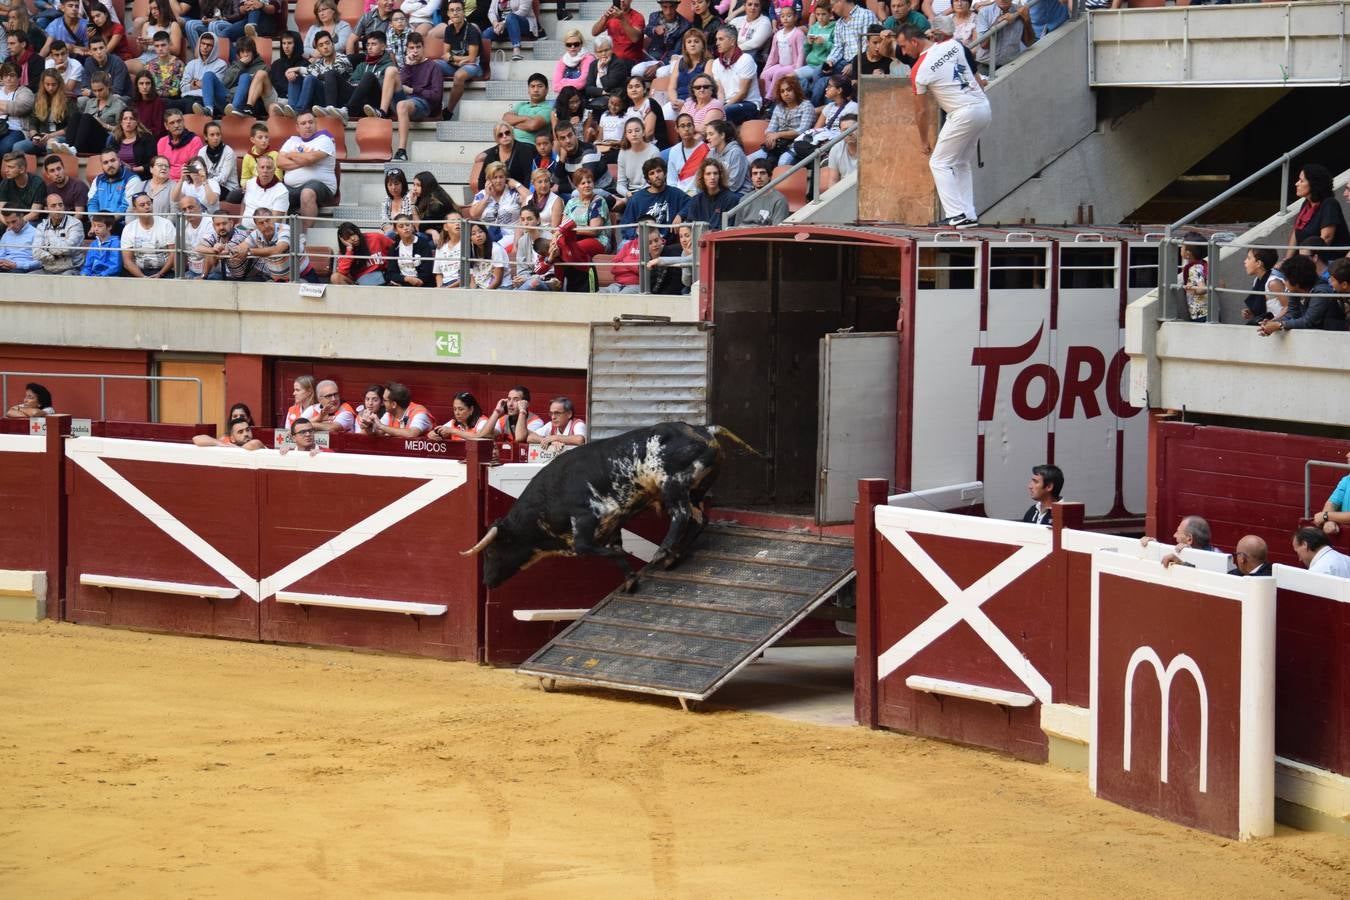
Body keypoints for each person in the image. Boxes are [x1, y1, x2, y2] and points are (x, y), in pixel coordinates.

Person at [899, 22, 989, 229]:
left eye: (904, 46)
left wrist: (923, 141)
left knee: (938, 163)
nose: (903, 51)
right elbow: (972, 68)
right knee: (960, 163)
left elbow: (921, 111)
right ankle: (968, 214)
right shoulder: (954, 45)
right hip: (982, 107)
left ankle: (956, 215)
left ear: (914, 41)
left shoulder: (918, 70)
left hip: (962, 112)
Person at [1258, 253, 1347, 334]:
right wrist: (1273, 322)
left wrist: (1279, 325)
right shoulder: (1295, 290)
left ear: (1296, 282)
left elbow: (1308, 321)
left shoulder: (1321, 292)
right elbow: (1293, 315)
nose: (1284, 282)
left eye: (1286, 279)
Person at [277, 110, 337, 229]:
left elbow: (310, 158)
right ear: (297, 127)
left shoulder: (324, 140)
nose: (308, 126)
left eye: (310, 122)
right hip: (291, 188)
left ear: (316, 124)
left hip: (321, 186)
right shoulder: (292, 141)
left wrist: (291, 155)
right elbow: (279, 162)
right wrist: (304, 161)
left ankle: (305, 236)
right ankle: (276, 233)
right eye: (303, 123)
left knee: (307, 192)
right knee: (276, 191)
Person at [286, 29, 354, 119]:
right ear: (318, 50)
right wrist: (294, 72)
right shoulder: (319, 63)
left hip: (338, 100)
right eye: (321, 45)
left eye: (327, 43)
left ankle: (299, 110)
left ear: (332, 44)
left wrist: (300, 68)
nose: (325, 47)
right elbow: (308, 71)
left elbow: (330, 76)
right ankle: (292, 108)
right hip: (322, 99)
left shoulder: (342, 59)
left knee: (310, 78)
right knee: (295, 77)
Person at [435, 0, 482, 119]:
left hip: (473, 66)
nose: (455, 13)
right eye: (452, 10)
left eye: (458, 10)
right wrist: (456, 60)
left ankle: (448, 111)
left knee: (459, 76)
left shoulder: (471, 30)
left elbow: (472, 58)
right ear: (448, 14)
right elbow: (444, 54)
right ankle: (433, 105)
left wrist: (452, 58)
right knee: (433, 65)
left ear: (463, 12)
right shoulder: (449, 29)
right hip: (455, 64)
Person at [755, 73, 813, 167]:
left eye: (789, 90)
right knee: (749, 160)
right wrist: (771, 138)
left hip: (796, 144)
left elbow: (802, 131)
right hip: (778, 144)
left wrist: (778, 134)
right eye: (782, 91)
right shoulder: (779, 107)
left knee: (783, 163)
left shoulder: (806, 105)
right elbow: (770, 129)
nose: (785, 94)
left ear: (796, 90)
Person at [620, 156, 686, 239]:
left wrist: (680, 215)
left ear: (665, 173)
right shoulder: (636, 199)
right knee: (622, 246)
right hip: (640, 243)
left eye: (659, 171)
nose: (656, 175)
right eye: (652, 173)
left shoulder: (676, 193)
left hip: (666, 244)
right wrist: (637, 233)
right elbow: (625, 227)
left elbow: (692, 204)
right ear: (648, 179)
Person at [819, 0, 878, 91]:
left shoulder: (866, 15)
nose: (832, 9)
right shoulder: (839, 23)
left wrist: (854, 64)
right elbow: (838, 47)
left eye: (832, 5)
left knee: (827, 82)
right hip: (844, 62)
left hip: (863, 62)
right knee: (819, 74)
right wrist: (830, 61)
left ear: (841, 1)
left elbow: (869, 45)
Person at [1288, 164, 1349, 250]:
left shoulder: (1329, 204)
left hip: (1327, 260)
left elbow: (1326, 238)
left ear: (1313, 184)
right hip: (1306, 257)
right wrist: (1286, 259)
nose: (1296, 184)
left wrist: (1306, 260)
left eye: (1301, 181)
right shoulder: (1306, 203)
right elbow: (1296, 232)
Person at [709, 25, 759, 126]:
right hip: (728, 103)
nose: (717, 43)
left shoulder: (745, 59)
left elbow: (742, 93)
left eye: (721, 39)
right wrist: (719, 106)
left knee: (726, 112)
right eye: (717, 39)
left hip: (749, 103)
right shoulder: (716, 63)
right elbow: (720, 92)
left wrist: (723, 108)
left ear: (732, 41)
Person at [344, 31, 401, 120]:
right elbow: (352, 82)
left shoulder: (389, 67)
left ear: (383, 47)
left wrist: (366, 83)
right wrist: (364, 85)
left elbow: (383, 88)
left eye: (374, 44)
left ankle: (347, 110)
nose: (369, 47)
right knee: (332, 74)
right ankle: (334, 111)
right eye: (368, 45)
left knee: (369, 76)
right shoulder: (362, 65)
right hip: (360, 104)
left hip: (377, 104)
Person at [119, 190, 176, 277]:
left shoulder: (166, 224)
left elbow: (173, 253)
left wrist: (160, 274)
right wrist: (143, 277)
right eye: (142, 205)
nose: (147, 207)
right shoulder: (129, 229)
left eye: (149, 203)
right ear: (135, 210)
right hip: (138, 271)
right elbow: (128, 261)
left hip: (165, 271)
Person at [972, 0, 1033, 75]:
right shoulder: (984, 12)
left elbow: (1029, 42)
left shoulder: (1020, 11)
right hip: (986, 66)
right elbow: (984, 45)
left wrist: (1027, 20)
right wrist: (998, 22)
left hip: (1012, 64)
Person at [601, 221, 664, 293]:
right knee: (598, 293)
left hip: (637, 285)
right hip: (618, 284)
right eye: (644, 227)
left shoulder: (655, 248)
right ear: (638, 230)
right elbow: (614, 267)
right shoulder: (628, 245)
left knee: (622, 298)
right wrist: (635, 265)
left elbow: (644, 270)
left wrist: (625, 261)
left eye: (650, 226)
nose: (654, 244)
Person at [675, 158, 737, 230]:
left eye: (715, 173)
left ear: (720, 176)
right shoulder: (696, 201)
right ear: (702, 177)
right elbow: (691, 227)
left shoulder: (731, 199)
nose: (712, 177)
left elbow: (728, 228)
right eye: (708, 174)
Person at [760, 1, 804, 100]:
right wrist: (765, 69)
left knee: (778, 73)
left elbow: (801, 53)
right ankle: (768, 95)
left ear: (795, 17)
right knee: (764, 75)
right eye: (783, 16)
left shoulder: (798, 33)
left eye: (789, 16)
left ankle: (769, 98)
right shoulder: (777, 34)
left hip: (792, 65)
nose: (785, 18)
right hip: (781, 64)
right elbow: (772, 54)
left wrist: (797, 71)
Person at [31, 192, 84, 274]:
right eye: (53, 206)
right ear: (46, 209)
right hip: (48, 268)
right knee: (31, 277)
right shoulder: (41, 226)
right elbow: (36, 251)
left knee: (65, 278)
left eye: (60, 205)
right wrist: (51, 257)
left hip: (71, 269)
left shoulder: (75, 224)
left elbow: (68, 249)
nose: (58, 208)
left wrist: (47, 247)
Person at [474, 123, 535, 190]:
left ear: (512, 133)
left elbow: (528, 177)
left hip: (519, 191)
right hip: (497, 193)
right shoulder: (493, 153)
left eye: (507, 133)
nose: (504, 136)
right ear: (497, 138)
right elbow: (482, 179)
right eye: (500, 135)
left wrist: (523, 194)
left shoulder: (524, 150)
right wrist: (485, 194)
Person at [363, 381, 434, 437]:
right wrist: (368, 426)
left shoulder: (419, 413)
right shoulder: (390, 413)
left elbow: (411, 434)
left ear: (394, 404)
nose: (382, 403)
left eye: (385, 400)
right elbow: (378, 432)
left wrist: (381, 426)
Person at [582, 34, 632, 114]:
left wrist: (601, 70)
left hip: (615, 100)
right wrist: (602, 92)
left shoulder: (618, 64)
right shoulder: (593, 64)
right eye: (600, 51)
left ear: (612, 49)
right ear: (596, 53)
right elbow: (588, 88)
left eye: (606, 50)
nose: (603, 54)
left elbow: (608, 86)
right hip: (599, 97)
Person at [1141, 515, 1213, 569]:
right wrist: (1154, 547)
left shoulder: (1217, 560)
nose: (1174, 535)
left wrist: (1182, 564)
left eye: (1178, 532)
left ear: (1189, 539)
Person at [332, 220, 393, 285]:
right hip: (359, 279)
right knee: (335, 277)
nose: (352, 238)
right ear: (343, 241)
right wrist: (349, 250)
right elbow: (342, 272)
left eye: (353, 234)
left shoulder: (375, 237)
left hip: (380, 274)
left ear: (357, 231)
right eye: (347, 238)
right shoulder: (344, 252)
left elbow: (395, 247)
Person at [664, 26, 711, 110]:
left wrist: (686, 105)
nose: (692, 44)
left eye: (696, 41)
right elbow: (672, 88)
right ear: (685, 47)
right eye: (689, 42)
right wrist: (675, 101)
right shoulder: (679, 62)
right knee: (666, 110)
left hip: (698, 104)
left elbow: (706, 88)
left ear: (703, 45)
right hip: (678, 102)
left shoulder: (709, 62)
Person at [732, 158, 788, 225]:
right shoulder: (744, 200)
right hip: (743, 234)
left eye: (762, 173)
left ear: (770, 176)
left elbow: (778, 231)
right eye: (755, 173)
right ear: (751, 178)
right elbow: (736, 227)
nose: (758, 176)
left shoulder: (779, 200)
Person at [80, 33, 132, 104]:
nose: (99, 52)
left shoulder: (117, 63)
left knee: (116, 99)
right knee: (82, 100)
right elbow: (85, 89)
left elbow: (116, 91)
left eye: (101, 48)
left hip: (120, 98)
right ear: (90, 52)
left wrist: (92, 93)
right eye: (95, 49)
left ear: (106, 48)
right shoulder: (88, 63)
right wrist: (92, 93)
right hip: (97, 97)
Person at [194, 210, 247, 279]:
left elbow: (225, 252)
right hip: (228, 275)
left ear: (231, 223)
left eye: (224, 223)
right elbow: (198, 248)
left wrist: (216, 250)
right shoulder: (215, 235)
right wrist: (213, 250)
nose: (221, 227)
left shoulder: (240, 235)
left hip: (251, 276)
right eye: (218, 224)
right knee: (208, 252)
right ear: (213, 226)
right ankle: (203, 277)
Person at [504, 72, 554, 145]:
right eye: (532, 86)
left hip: (529, 145)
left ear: (547, 90)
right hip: (510, 142)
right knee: (482, 156)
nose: (536, 90)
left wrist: (513, 122)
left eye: (540, 86)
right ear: (528, 90)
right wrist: (526, 118)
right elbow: (506, 118)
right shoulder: (521, 105)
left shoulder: (548, 109)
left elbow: (533, 126)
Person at [384, 213, 434, 285]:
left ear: (412, 226)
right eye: (401, 226)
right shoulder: (394, 248)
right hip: (402, 283)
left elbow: (427, 272)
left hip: (422, 284)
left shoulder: (423, 244)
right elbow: (391, 273)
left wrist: (416, 281)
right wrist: (406, 279)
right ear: (396, 230)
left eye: (407, 225)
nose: (405, 228)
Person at [109, 107, 156, 180]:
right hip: (119, 177)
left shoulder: (146, 138)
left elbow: (153, 162)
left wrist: (133, 169)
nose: (128, 121)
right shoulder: (115, 139)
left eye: (131, 118)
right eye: (125, 119)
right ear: (121, 123)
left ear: (136, 122)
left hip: (141, 177)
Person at [242, 154, 287, 228]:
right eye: (262, 167)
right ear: (257, 169)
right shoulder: (249, 183)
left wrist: (253, 234)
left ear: (274, 170)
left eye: (269, 168)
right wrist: (240, 221)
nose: (265, 171)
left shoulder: (282, 191)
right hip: (243, 230)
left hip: (266, 233)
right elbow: (244, 203)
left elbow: (274, 223)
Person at [704, 118, 748, 194]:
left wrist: (714, 192)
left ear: (722, 135)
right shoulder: (710, 154)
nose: (707, 138)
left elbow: (734, 184)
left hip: (738, 193)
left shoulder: (736, 152)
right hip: (718, 192)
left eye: (711, 134)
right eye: (707, 134)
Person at [0, 152, 47, 223]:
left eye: (10, 167)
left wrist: (16, 223)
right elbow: (1, 210)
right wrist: (9, 223)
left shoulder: (38, 183)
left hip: (32, 221)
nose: (6, 170)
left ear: (22, 169)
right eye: (6, 166)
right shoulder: (6, 182)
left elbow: (34, 214)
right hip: (11, 220)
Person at [0, 63, 35, 157]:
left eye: (12, 75)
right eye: (5, 75)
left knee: (4, 147)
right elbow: (14, 107)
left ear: (19, 77)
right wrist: (10, 108)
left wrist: (5, 108)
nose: (8, 78)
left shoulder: (25, 91)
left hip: (16, 130)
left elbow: (21, 107)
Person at [197, 120, 239, 198]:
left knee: (205, 195)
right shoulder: (202, 151)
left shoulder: (228, 152)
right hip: (207, 185)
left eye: (218, 134)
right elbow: (200, 172)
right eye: (212, 135)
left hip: (228, 187)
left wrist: (206, 183)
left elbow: (223, 178)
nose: (216, 138)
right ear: (206, 137)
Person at [411, 170, 458, 237]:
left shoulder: (435, 203)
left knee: (418, 237)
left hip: (443, 237)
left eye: (418, 185)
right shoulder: (423, 198)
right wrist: (430, 231)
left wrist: (412, 205)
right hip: (432, 234)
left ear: (426, 186)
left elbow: (419, 228)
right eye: (414, 185)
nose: (414, 189)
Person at [1240, 247, 1280, 325]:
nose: (1245, 262)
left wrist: (1273, 322)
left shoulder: (1273, 283)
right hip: (1265, 323)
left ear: (1258, 263)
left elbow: (1287, 308)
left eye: (1248, 258)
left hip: (1275, 326)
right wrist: (1251, 313)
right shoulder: (1257, 280)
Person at [191, 415, 266, 449]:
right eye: (240, 432)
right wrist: (219, 443)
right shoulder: (228, 445)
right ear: (232, 438)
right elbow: (197, 438)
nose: (246, 434)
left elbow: (253, 444)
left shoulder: (256, 443)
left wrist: (234, 448)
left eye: (247, 430)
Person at [432, 210, 464, 286]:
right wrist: (440, 288)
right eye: (453, 221)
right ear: (446, 227)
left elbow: (468, 276)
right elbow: (438, 274)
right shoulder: (440, 247)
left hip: (460, 283)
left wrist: (447, 289)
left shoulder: (468, 244)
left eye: (460, 221)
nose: (457, 223)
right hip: (445, 284)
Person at [825, 111, 858, 177]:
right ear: (840, 132)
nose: (849, 133)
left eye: (853, 129)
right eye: (845, 130)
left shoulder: (869, 147)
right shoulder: (836, 149)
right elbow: (833, 180)